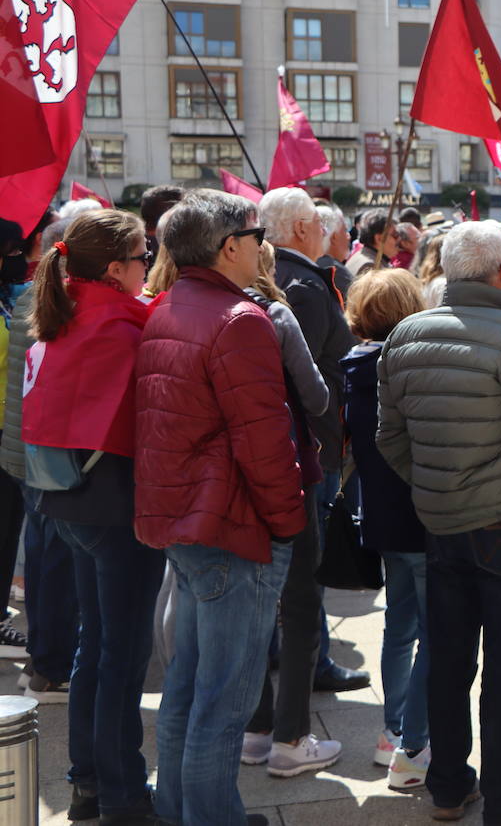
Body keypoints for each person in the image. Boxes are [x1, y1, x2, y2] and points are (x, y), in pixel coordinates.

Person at [377, 220, 501, 825]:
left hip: (444, 523)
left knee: (448, 661)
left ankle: (447, 787)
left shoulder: (407, 333)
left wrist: (436, 483)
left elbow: (391, 438)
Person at [135, 189, 305, 826]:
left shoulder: (169, 306)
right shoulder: (239, 319)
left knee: (190, 687)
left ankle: (181, 810)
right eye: (257, 237)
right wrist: (287, 522)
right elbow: (263, 440)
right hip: (231, 527)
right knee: (223, 700)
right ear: (230, 246)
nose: (263, 247)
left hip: (188, 520)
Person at [23, 210, 164, 824]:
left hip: (68, 501)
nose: (149, 265)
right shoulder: (122, 322)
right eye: (143, 255)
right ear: (115, 268)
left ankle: (86, 785)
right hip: (115, 506)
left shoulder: (68, 310)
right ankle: (123, 795)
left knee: (95, 648)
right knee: (120, 657)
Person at [264, 188, 369, 694]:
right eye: (319, 223)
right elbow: (295, 377)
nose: (327, 232)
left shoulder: (293, 277)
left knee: (303, 562)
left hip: (311, 441)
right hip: (312, 444)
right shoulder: (301, 284)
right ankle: (313, 661)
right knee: (308, 565)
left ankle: (304, 656)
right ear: (303, 228)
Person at [241, 239, 339, 778]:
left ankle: (254, 729)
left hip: (227, 484)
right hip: (286, 475)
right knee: (299, 605)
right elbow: (318, 396)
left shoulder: (180, 307)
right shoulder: (274, 313)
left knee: (251, 609)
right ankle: (290, 736)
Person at [342, 269, 432, 789]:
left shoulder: (353, 365)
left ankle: (392, 732)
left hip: (379, 515)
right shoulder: (407, 365)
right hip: (420, 515)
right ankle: (413, 746)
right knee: (434, 631)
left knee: (400, 627)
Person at [1, 216, 77, 701]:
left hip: (29, 454)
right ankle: (49, 666)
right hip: (44, 458)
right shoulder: (53, 305)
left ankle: (43, 664)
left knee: (47, 559)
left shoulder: (33, 298)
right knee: (54, 563)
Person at [316, 203, 354, 301]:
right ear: (334, 237)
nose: (348, 236)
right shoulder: (337, 272)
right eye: (345, 230)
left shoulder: (311, 263)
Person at [347, 209, 398, 276]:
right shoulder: (371, 267)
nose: (399, 239)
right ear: (379, 239)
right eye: (395, 235)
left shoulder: (364, 256)